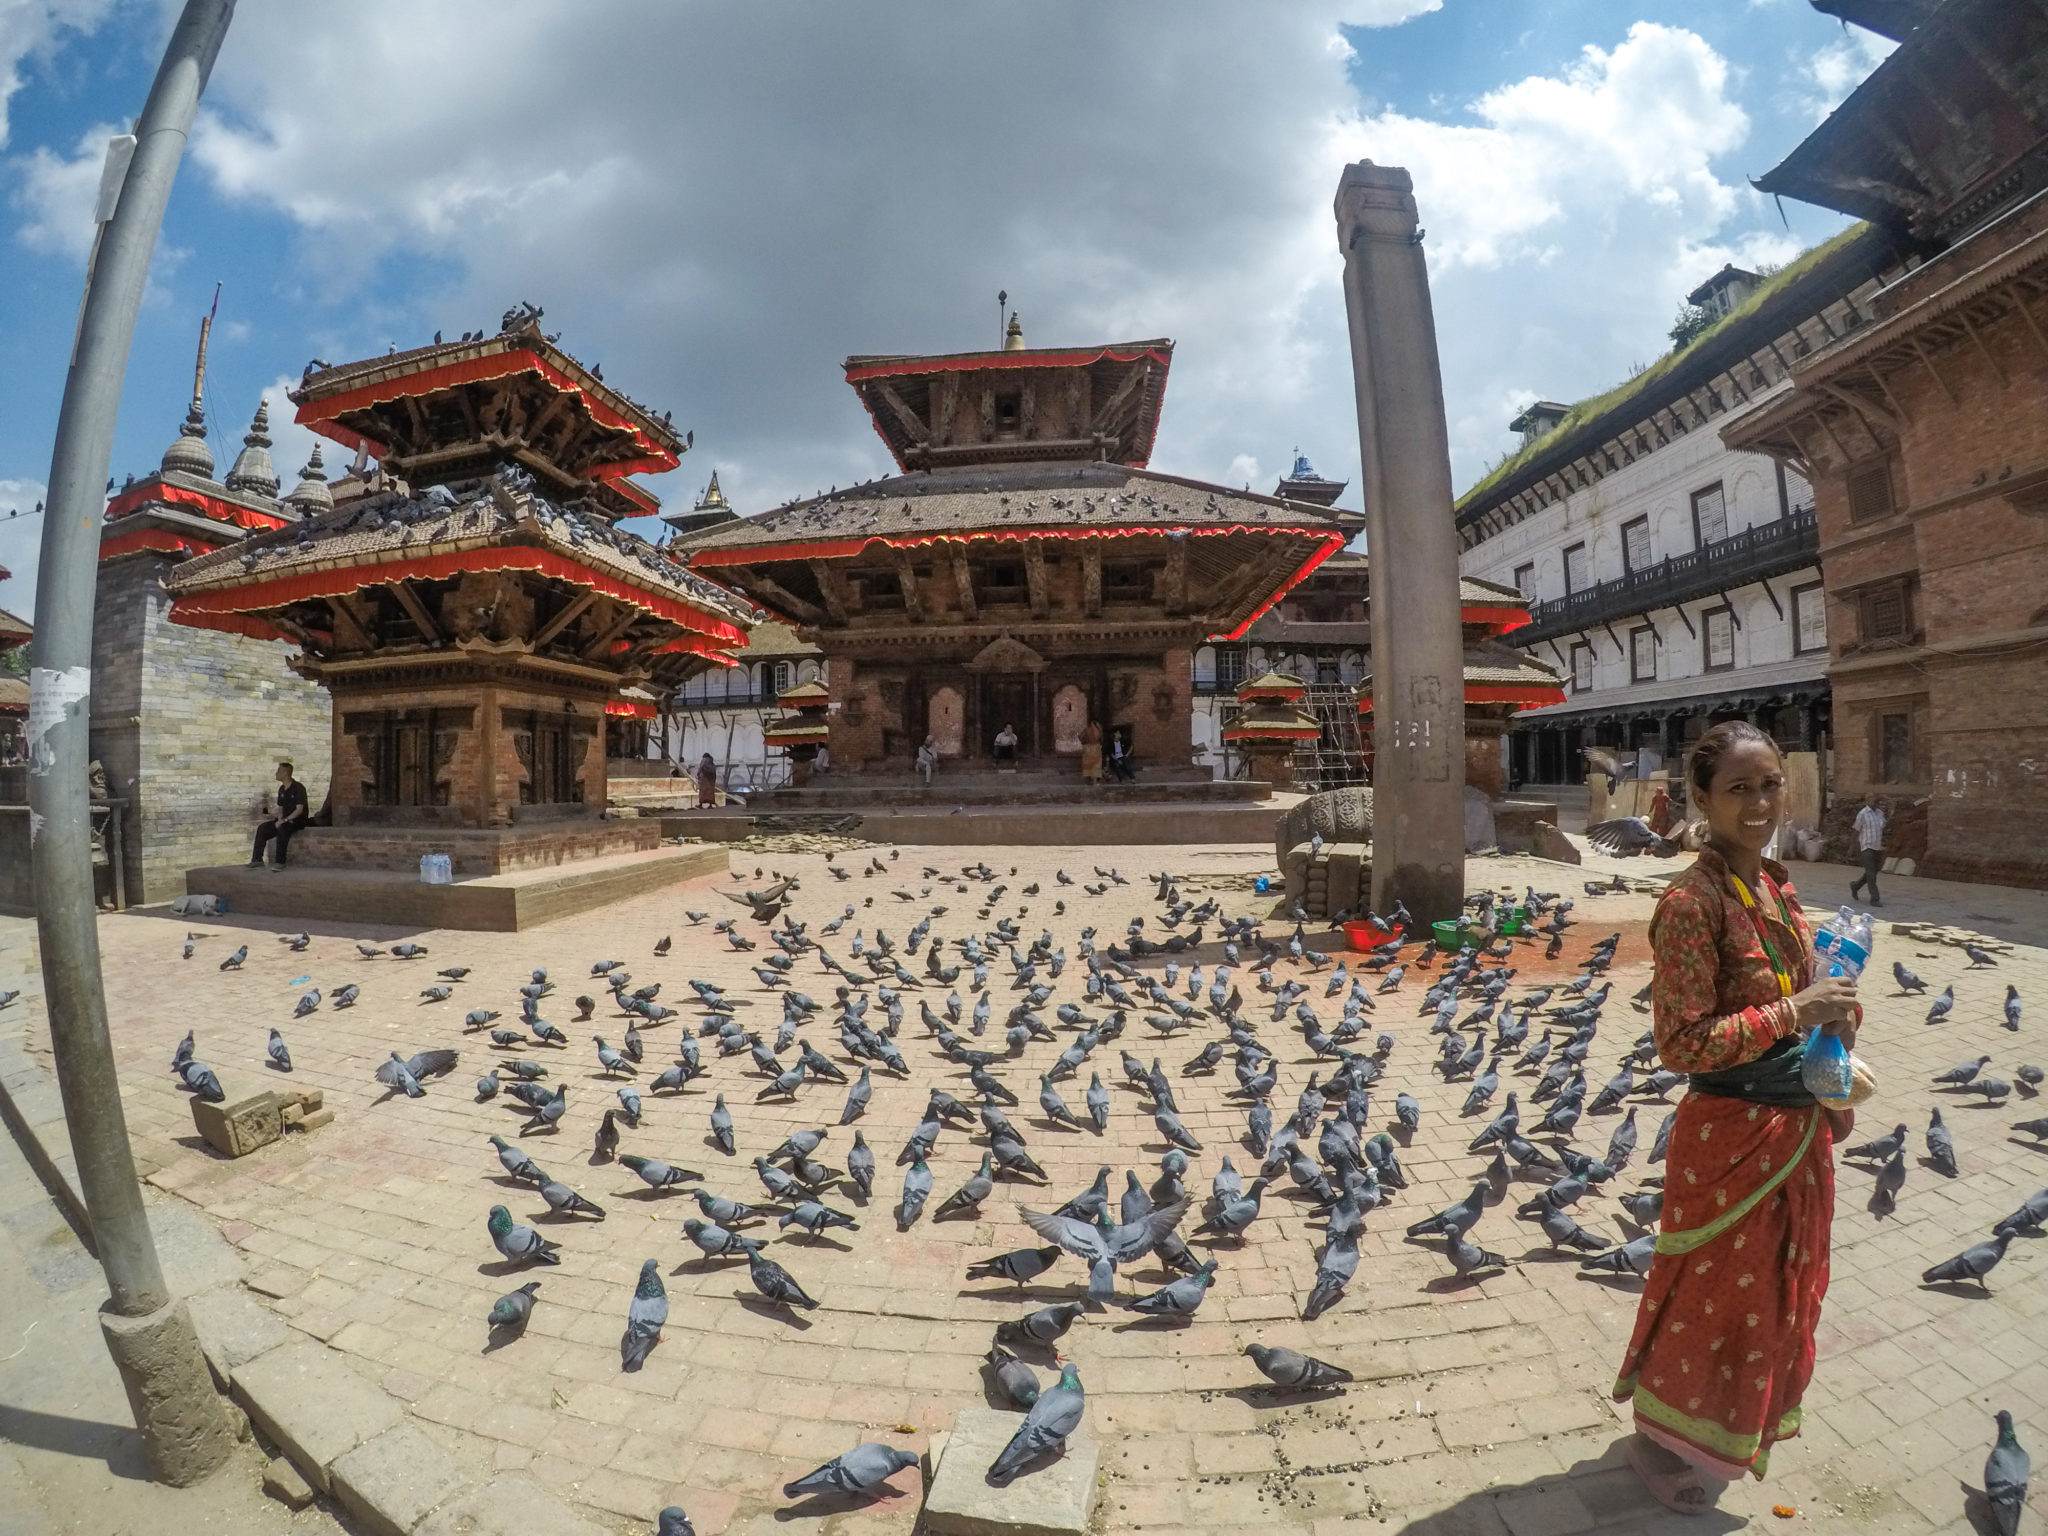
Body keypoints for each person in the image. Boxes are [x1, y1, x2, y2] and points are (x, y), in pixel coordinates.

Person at [1612, 720, 1860, 1513]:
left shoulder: (1775, 885)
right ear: (1702, 800)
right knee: (1710, 1302)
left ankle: (1720, 1430)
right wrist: (1795, 1010)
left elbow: (1805, 997)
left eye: (1769, 784)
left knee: (1774, 1299)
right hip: (1730, 1139)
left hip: (1795, 1130)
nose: (1758, 803)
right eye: (1738, 789)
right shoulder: (1692, 901)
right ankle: (1660, 1440)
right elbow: (1681, 1043)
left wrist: (1834, 1023)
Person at [249, 761, 309, 870]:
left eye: (278, 771)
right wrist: (280, 819)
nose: (276, 773)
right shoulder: (282, 789)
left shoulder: (298, 788)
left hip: (297, 821)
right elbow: (281, 808)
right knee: (262, 828)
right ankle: (257, 860)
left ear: (285, 773)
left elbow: (299, 810)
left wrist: (285, 820)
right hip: (284, 820)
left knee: (282, 829)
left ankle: (280, 862)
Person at [1849, 792, 1886, 907]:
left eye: (1877, 801)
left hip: (1877, 847)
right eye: (1873, 800)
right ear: (1867, 801)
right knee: (1871, 873)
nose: (1876, 803)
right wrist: (1852, 847)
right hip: (1866, 846)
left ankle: (1855, 886)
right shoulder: (1863, 814)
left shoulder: (1880, 813)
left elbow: (1882, 828)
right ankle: (1875, 899)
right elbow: (1856, 830)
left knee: (1873, 872)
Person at [1080, 720, 1104, 785]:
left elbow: (1080, 737)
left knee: (1087, 766)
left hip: (1087, 748)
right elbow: (1101, 739)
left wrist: (1084, 742)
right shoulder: (1099, 730)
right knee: (1096, 766)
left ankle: (1086, 782)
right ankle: (1095, 782)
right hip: (1096, 748)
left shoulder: (1086, 730)